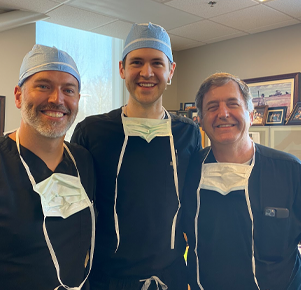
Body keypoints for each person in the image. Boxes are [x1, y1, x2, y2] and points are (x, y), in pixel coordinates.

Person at [0, 44, 95, 290]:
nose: (57, 99)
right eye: (43, 86)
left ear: (77, 100)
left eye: (68, 89)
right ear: (18, 95)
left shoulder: (84, 162)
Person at [71, 23, 201, 290]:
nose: (146, 72)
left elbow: (192, 204)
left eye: (156, 63)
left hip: (171, 278)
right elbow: (76, 211)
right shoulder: (92, 132)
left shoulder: (188, 133)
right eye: (137, 63)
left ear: (171, 71)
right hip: (107, 279)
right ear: (122, 69)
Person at [182, 72, 301, 290]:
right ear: (200, 120)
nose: (223, 113)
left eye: (233, 104)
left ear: (251, 115)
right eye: (212, 107)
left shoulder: (291, 172)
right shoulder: (188, 172)